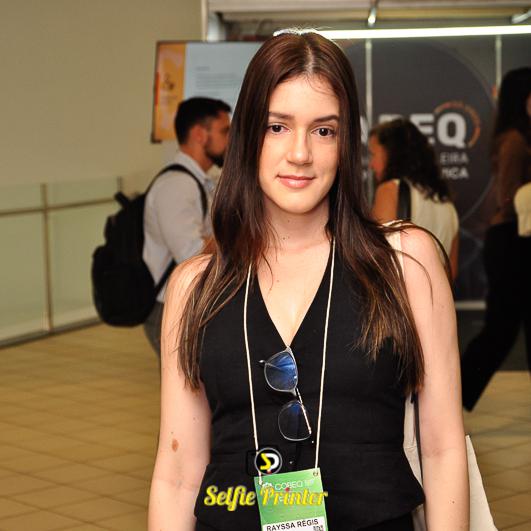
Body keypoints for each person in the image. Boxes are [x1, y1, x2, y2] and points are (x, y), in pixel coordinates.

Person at [149, 31, 468, 530]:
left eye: (323, 130)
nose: (300, 153)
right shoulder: (196, 287)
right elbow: (177, 475)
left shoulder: (406, 264)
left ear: (345, 144)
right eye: (278, 126)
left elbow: (443, 447)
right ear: (248, 136)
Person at [461, 68, 531, 411]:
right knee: (501, 329)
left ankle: (455, 395)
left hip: (514, 239)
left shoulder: (516, 136)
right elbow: (508, 196)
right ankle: (454, 395)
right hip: (512, 241)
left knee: (502, 327)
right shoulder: (515, 140)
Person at [142, 97, 231, 356]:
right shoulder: (176, 186)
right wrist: (233, 238)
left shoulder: (197, 181)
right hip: (172, 307)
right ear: (200, 135)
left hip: (189, 302)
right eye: (224, 131)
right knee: (183, 381)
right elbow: (191, 254)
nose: (230, 140)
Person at [369, 118, 460, 281]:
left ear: (390, 153)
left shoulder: (390, 190)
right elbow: (451, 273)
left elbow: (380, 260)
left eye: (373, 154)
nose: (371, 164)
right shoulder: (448, 205)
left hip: (401, 295)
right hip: (435, 295)